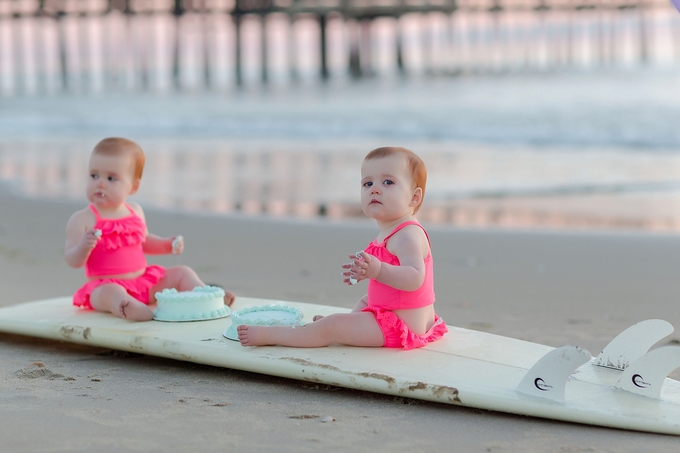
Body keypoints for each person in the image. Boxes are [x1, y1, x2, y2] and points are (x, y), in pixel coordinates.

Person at [238, 146, 447, 348]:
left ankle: (271, 335)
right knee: (366, 300)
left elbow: (414, 278)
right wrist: (365, 271)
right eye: (367, 183)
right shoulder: (392, 231)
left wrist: (378, 270)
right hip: (396, 315)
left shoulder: (407, 235)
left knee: (333, 326)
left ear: (414, 197)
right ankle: (346, 326)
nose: (375, 189)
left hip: (403, 326)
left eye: (388, 182)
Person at [64, 137, 235, 321]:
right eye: (94, 175)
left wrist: (166, 245)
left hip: (144, 283)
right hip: (104, 285)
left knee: (182, 272)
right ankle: (127, 307)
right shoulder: (82, 219)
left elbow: (144, 241)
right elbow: (72, 260)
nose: (100, 183)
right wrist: (84, 245)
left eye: (111, 178)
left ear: (133, 187)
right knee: (109, 293)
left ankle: (206, 298)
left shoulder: (135, 211)